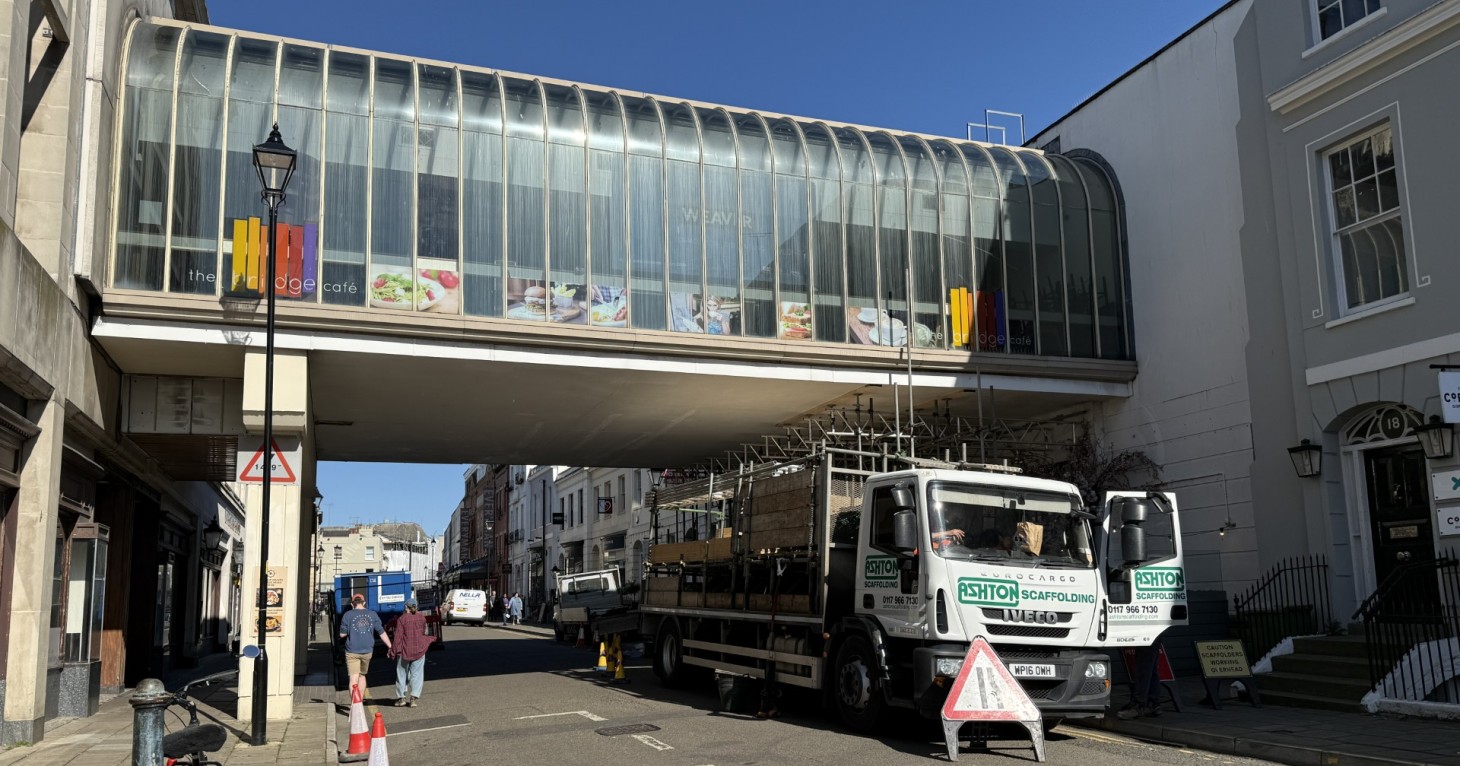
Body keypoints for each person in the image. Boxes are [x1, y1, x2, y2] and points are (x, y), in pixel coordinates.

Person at [339, 594, 392, 699]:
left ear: (352, 604)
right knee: (362, 676)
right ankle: (361, 700)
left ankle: (355, 703)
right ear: (364, 603)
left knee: (353, 678)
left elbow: (342, 634)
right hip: (367, 651)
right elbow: (381, 632)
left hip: (352, 651)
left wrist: (351, 630)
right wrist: (390, 646)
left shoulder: (347, 615)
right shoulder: (372, 614)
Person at [388, 599, 434, 707]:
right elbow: (423, 632)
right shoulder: (422, 618)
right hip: (419, 650)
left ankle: (401, 698)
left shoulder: (402, 619)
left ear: (406, 607)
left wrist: (392, 652)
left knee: (401, 674)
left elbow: (398, 638)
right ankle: (413, 698)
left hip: (404, 651)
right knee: (417, 674)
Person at [1118, 640, 1164, 719]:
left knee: (1143, 666)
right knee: (1150, 666)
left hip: (1147, 634)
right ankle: (1153, 704)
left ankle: (1139, 705)